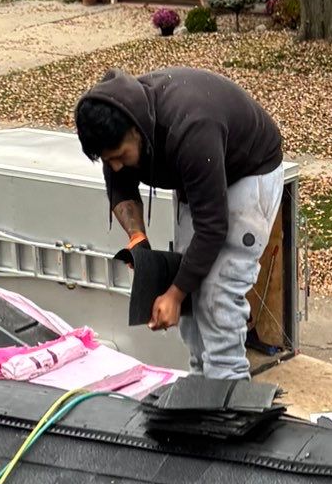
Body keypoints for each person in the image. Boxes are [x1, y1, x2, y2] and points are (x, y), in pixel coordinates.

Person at [72, 69, 286, 378]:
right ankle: (201, 384)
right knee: (190, 282)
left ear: (137, 130)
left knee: (217, 290)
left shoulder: (191, 127)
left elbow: (213, 229)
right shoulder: (116, 123)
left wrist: (173, 295)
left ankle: (229, 389)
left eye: (120, 155)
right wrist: (138, 242)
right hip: (200, 175)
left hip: (248, 171)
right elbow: (121, 188)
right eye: (108, 161)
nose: (116, 166)